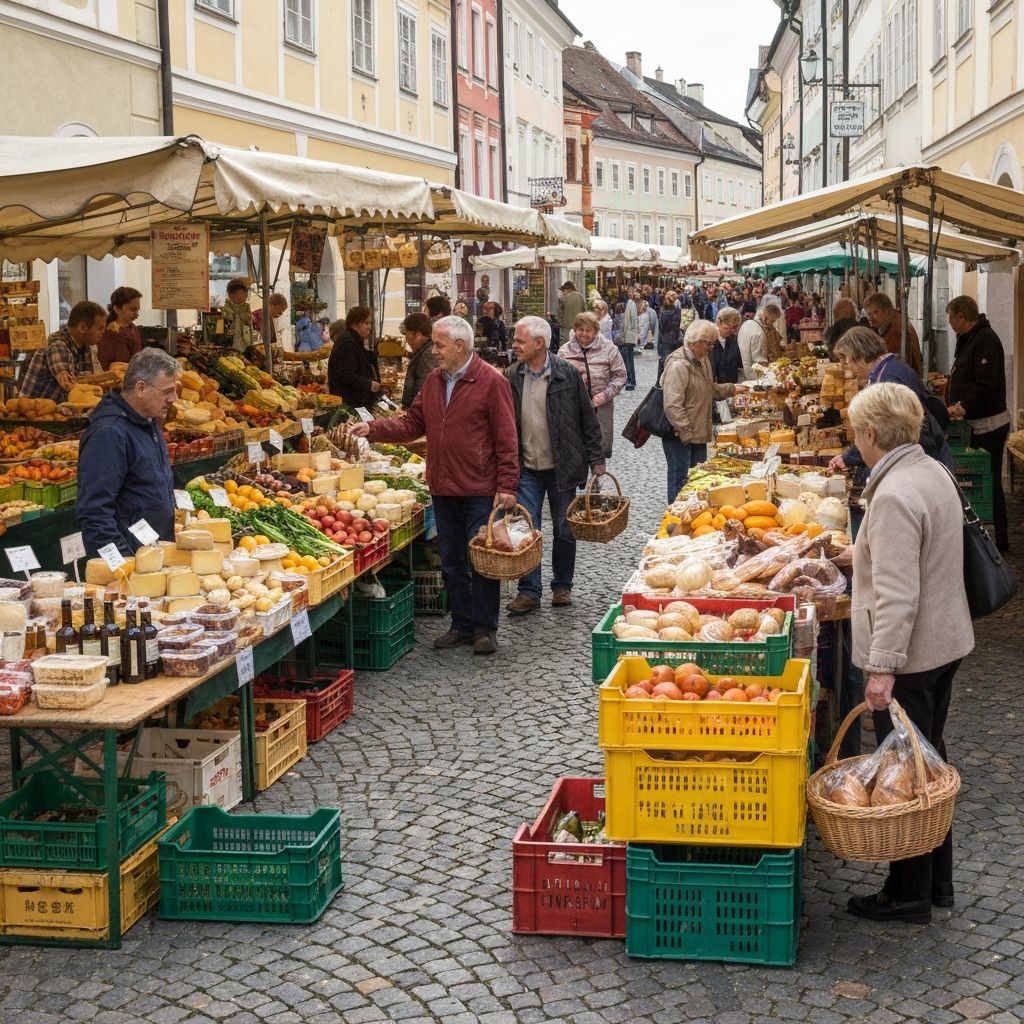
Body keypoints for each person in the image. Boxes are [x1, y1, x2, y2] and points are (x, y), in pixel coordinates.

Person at [844, 381, 974, 925]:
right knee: (929, 760)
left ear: (871, 433)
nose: (854, 439)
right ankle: (935, 882)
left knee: (909, 774)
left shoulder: (895, 494)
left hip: (915, 654)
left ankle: (908, 893)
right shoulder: (930, 470)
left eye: (855, 431)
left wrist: (882, 669)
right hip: (945, 640)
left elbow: (898, 596)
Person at [348, 316, 518, 656]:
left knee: (481, 559)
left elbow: (506, 437)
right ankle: (461, 623)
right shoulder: (435, 380)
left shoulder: (490, 381)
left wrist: (508, 484)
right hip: (442, 485)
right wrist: (374, 429)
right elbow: (413, 422)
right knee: (452, 560)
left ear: (460, 345)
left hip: (479, 486)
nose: (434, 351)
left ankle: (485, 628)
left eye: (439, 345)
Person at [504, 316, 605, 616]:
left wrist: (596, 459)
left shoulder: (567, 374)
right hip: (527, 468)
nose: (514, 345)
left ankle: (562, 586)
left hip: (563, 465)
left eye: (520, 341)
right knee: (526, 528)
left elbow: (588, 418)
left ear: (540, 343)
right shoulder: (512, 375)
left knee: (564, 529)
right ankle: (528, 591)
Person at [76, 348, 180, 556]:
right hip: (132, 561)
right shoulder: (109, 433)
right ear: (140, 388)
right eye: (168, 391)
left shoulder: (148, 422)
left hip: (152, 556)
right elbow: (95, 512)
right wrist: (122, 564)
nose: (174, 399)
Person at [828, 327, 953, 484]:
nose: (847, 366)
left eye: (847, 359)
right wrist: (849, 457)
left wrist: (851, 458)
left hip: (923, 464)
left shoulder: (890, 379)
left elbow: (889, 434)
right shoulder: (888, 369)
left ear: (860, 356)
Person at [946, 294, 1011, 552]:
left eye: (951, 318)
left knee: (990, 481)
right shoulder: (970, 339)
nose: (949, 323)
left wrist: (964, 406)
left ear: (962, 316)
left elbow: (985, 384)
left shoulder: (984, 340)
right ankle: (983, 537)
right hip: (977, 422)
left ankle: (1002, 540)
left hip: (990, 425)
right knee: (986, 480)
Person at [661, 320, 747, 503]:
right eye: (708, 343)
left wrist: (732, 389)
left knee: (697, 479)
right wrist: (686, 433)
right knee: (680, 481)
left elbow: (709, 388)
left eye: (713, 343)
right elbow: (672, 405)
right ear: (693, 342)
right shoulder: (678, 365)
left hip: (698, 433)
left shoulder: (702, 359)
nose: (711, 347)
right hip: (681, 435)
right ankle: (676, 521)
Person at [558, 311, 627, 460]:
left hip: (601, 406)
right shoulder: (564, 351)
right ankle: (580, 481)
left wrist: (605, 395)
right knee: (575, 447)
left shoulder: (609, 349)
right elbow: (557, 379)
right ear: (574, 330)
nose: (584, 334)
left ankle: (596, 479)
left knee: (600, 446)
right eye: (580, 330)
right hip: (573, 407)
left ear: (596, 331)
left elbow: (620, 376)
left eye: (588, 330)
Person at [20, 300, 106, 402]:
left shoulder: (86, 346)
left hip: (62, 411)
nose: (103, 333)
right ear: (82, 328)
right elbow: (68, 385)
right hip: (36, 413)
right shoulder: (58, 346)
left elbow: (88, 381)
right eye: (100, 328)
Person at [327, 306, 381, 409]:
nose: (369, 327)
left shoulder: (353, 340)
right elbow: (346, 374)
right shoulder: (347, 343)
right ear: (356, 324)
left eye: (370, 324)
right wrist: (369, 384)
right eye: (366, 323)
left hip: (353, 402)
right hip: (349, 404)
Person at [864, 292, 922, 376]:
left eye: (875, 312)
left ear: (886, 311)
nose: (870, 318)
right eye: (868, 314)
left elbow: (893, 363)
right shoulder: (892, 323)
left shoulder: (897, 331)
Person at [98, 287, 143, 370]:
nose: (137, 315)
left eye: (138, 310)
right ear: (117, 309)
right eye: (132, 309)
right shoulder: (108, 332)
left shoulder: (133, 329)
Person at [737, 299, 783, 379]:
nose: (771, 324)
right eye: (772, 321)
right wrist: (772, 372)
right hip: (755, 375)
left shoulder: (747, 323)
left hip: (742, 371)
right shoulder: (759, 332)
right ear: (764, 316)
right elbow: (759, 360)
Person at [400, 312, 438, 408]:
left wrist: (412, 411)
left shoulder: (428, 355)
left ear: (418, 335)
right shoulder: (425, 349)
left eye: (407, 337)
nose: (407, 341)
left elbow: (424, 390)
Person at [710, 308, 744, 384]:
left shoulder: (735, 339)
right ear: (719, 323)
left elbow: (740, 363)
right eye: (728, 327)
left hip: (732, 387)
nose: (732, 331)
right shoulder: (709, 341)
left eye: (735, 328)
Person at [221, 278, 254, 352]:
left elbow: (249, 327)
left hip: (246, 349)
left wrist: (251, 345)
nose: (246, 296)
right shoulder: (226, 310)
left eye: (246, 293)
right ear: (232, 295)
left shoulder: (246, 308)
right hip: (231, 349)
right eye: (244, 293)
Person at [657, 290, 682, 374]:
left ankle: (660, 382)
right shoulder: (677, 312)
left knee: (664, 361)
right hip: (675, 339)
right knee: (674, 361)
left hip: (665, 339)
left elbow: (661, 328)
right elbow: (678, 326)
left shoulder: (663, 312)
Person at [619, 290, 639, 390]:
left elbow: (634, 320)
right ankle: (627, 379)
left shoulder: (631, 304)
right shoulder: (621, 305)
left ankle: (631, 381)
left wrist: (634, 336)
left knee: (628, 360)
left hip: (628, 337)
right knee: (623, 360)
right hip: (621, 337)